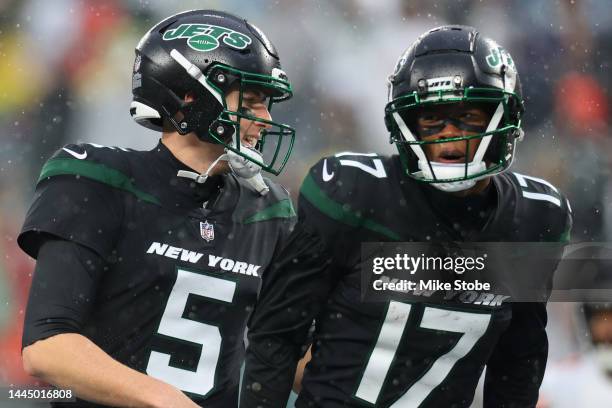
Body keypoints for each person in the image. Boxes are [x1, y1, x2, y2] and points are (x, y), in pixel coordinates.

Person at [241, 25, 573, 408]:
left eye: (466, 116)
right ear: (405, 123)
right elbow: (278, 334)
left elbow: (518, 362)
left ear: (504, 119)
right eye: (431, 119)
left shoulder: (535, 217)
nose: (448, 134)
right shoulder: (354, 193)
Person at [19, 9, 296, 408]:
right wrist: (166, 400)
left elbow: (292, 350)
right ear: (190, 96)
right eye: (250, 101)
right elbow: (47, 347)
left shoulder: (267, 210)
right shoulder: (99, 179)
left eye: (266, 103)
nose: (265, 119)